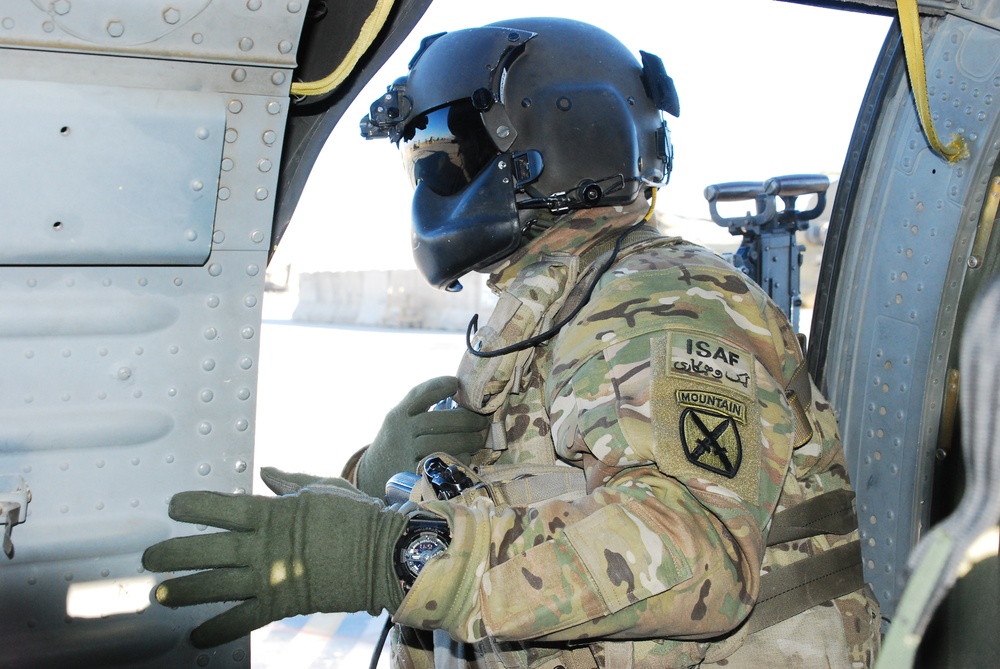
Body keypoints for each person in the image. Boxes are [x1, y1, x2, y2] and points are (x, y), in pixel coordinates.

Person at [143, 17, 881, 668]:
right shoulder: (551, 301)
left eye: (449, 150)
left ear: (560, 137)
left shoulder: (665, 299)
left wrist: (389, 555)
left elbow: (692, 552)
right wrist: (383, 486)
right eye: (426, 157)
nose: (435, 176)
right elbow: (537, 497)